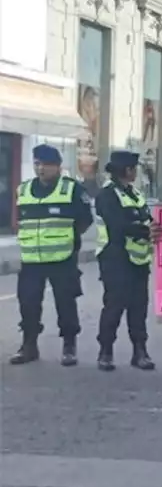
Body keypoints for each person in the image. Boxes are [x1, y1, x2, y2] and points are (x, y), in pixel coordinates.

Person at [10, 144, 94, 366]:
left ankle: (69, 346)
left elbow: (85, 220)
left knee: (65, 302)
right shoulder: (23, 189)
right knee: (28, 303)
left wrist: (67, 238)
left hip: (62, 258)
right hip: (31, 261)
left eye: (46, 164)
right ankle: (29, 346)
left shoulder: (72, 189)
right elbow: (17, 219)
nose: (41, 169)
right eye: (37, 164)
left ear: (57, 167)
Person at [94, 151, 156, 372]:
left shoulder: (135, 194)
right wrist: (147, 231)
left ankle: (140, 350)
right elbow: (118, 225)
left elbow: (147, 219)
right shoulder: (107, 195)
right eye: (134, 169)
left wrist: (154, 228)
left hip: (138, 260)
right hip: (115, 258)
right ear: (127, 170)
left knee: (139, 307)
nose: (136, 172)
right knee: (114, 306)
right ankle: (105, 351)